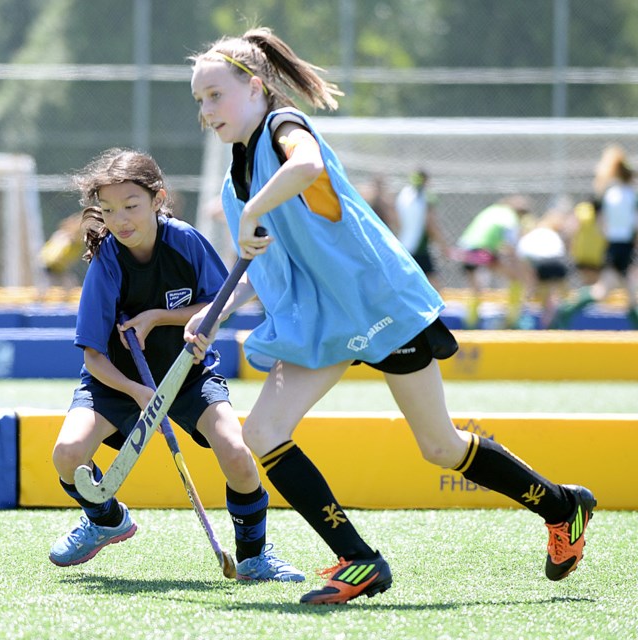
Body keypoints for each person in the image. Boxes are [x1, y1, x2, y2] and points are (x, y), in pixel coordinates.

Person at [186, 27, 596, 606]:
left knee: (440, 446)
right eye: (198, 100)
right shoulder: (238, 173)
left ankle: (562, 507)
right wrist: (214, 313)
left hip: (377, 305)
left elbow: (305, 167)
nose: (206, 111)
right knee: (264, 432)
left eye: (215, 95)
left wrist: (255, 208)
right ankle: (359, 560)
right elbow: (266, 262)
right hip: (324, 321)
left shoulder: (284, 128)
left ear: (255, 87)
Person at [49, 148, 304, 582]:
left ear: (157, 198)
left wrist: (157, 318)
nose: (121, 220)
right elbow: (93, 355)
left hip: (187, 376)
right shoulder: (106, 262)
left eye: (131, 206)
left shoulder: (184, 241)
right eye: (109, 211)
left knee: (238, 455)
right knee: (67, 454)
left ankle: (253, 556)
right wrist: (137, 392)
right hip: (119, 382)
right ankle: (106, 519)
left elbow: (218, 303)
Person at [552, 145, 638, 329]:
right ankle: (565, 311)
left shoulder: (608, 194)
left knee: (627, 293)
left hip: (613, 246)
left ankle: (565, 312)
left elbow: (600, 221)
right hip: (624, 248)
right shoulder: (631, 195)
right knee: (606, 292)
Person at [454, 195, 534, 329]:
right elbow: (512, 245)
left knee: (476, 289)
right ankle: (512, 320)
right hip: (483, 251)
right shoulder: (510, 217)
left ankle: (470, 324)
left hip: (466, 249)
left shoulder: (493, 210)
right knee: (515, 278)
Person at [394, 169, 449, 292]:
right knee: (435, 286)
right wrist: (443, 246)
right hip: (418, 248)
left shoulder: (403, 195)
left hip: (403, 245)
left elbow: (397, 221)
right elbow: (430, 224)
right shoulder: (425, 196)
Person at [516, 210, 570, 329]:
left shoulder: (526, 238)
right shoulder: (551, 233)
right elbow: (562, 251)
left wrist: (531, 285)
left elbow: (524, 264)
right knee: (559, 297)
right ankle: (559, 322)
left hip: (541, 264)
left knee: (536, 295)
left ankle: (525, 321)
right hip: (558, 264)